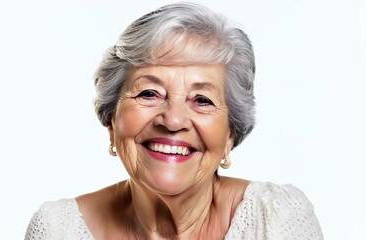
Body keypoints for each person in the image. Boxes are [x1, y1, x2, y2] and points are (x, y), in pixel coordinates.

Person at [25, 2, 323, 239]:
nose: (173, 120)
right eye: (149, 93)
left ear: (230, 134)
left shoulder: (275, 220)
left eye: (202, 100)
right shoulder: (57, 230)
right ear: (111, 119)